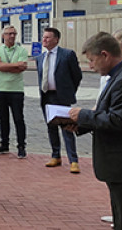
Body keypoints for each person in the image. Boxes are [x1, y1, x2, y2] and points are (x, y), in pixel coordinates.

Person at [66, 32, 122, 230]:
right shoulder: (121, 75)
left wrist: (82, 115)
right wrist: (82, 124)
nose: (90, 66)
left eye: (92, 60)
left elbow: (118, 121)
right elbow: (110, 114)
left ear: (105, 55)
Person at [37, 27, 82, 173]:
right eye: (43, 37)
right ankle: (55, 155)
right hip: (46, 96)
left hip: (62, 97)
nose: (44, 40)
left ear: (56, 39)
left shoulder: (67, 55)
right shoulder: (40, 58)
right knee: (51, 127)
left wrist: (69, 91)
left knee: (67, 128)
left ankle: (73, 160)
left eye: (47, 38)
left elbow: (77, 76)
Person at [0, 25, 28, 158]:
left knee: (19, 119)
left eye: (14, 33)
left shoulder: (22, 50)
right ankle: (4, 144)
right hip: (0, 89)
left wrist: (5, 67)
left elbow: (22, 67)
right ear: (3, 36)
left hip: (16, 90)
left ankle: (21, 146)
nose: (12, 36)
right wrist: (14, 65)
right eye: (9, 34)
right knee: (3, 119)